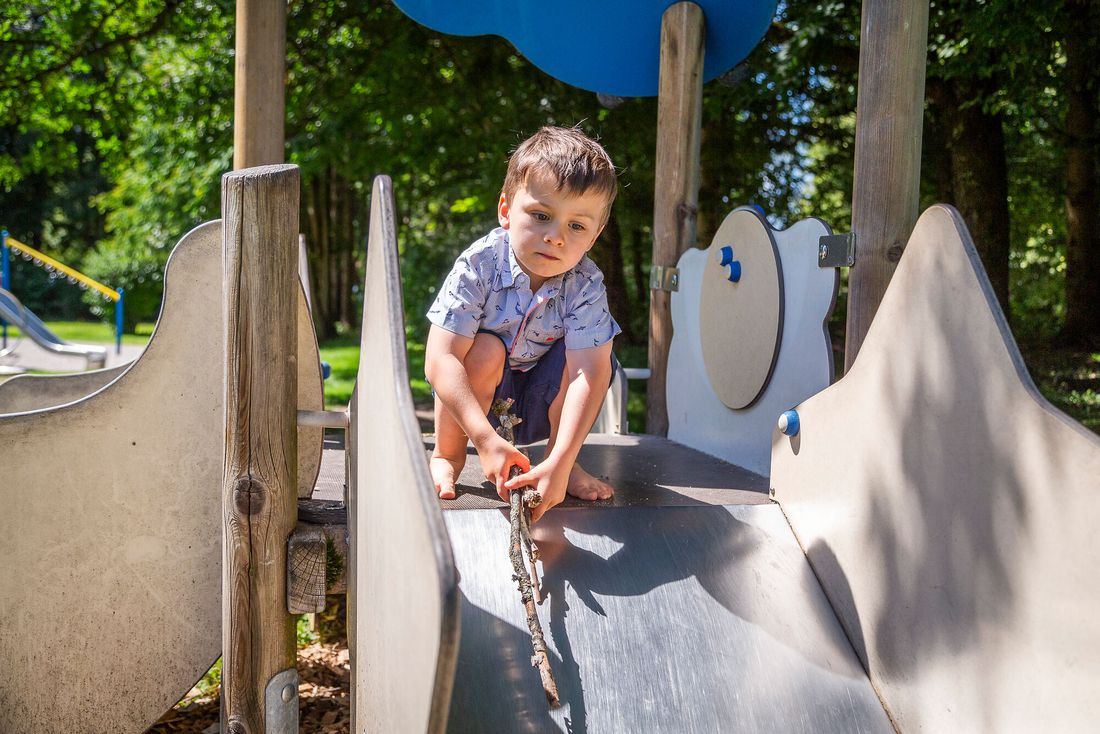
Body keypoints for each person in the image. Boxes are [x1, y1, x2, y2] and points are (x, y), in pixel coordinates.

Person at [425, 125, 620, 522]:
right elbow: (440, 360)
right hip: (478, 406)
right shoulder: (478, 265)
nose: (556, 237)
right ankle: (447, 454)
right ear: (506, 211)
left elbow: (591, 372)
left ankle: (560, 463)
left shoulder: (585, 283)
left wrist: (561, 461)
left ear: (595, 235)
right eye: (542, 215)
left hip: (541, 402)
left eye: (577, 226)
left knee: (596, 359)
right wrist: (483, 437)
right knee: (483, 349)